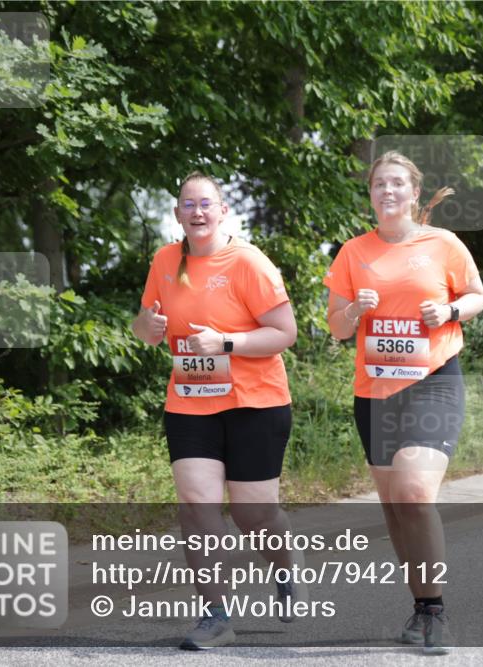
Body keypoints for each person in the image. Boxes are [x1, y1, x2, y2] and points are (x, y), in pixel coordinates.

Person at [131, 171, 304, 650]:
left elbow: (284, 332)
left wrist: (225, 342)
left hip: (257, 403)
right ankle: (216, 616)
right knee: (196, 504)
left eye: (206, 203)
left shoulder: (248, 262)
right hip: (190, 402)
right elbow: (145, 331)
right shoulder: (165, 261)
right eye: (188, 204)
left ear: (223, 211)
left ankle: (285, 567)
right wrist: (145, 324)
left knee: (254, 515)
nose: (198, 212)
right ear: (177, 214)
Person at [323, 151, 483, 655]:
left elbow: (477, 295)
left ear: (415, 194)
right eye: (379, 185)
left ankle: (435, 610)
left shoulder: (444, 244)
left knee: (415, 492)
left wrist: (450, 310)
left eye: (397, 184)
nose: (387, 192)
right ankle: (419, 606)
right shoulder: (353, 252)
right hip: (374, 393)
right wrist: (353, 309)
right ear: (370, 194)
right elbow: (335, 327)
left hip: (432, 381)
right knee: (395, 506)